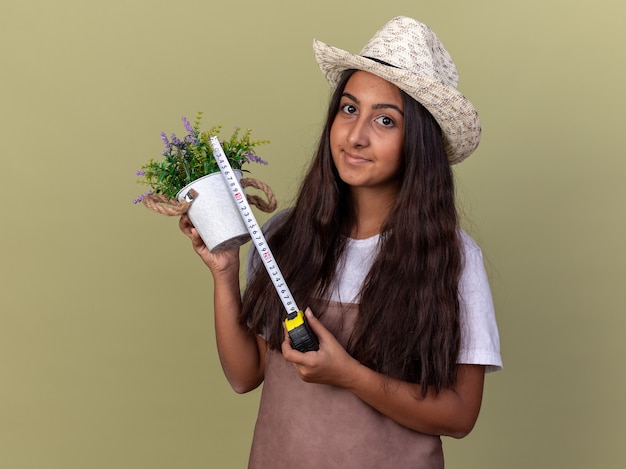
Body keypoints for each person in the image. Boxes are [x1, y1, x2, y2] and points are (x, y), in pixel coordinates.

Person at [180, 16, 501, 469]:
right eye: (349, 109)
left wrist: (349, 375)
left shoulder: (455, 259)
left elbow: (461, 414)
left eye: (385, 120)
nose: (356, 135)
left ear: (419, 144)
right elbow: (245, 374)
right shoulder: (284, 237)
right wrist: (225, 270)